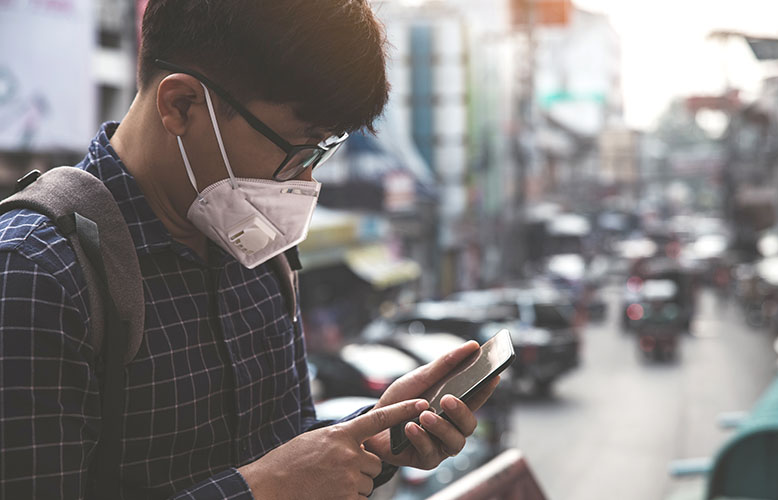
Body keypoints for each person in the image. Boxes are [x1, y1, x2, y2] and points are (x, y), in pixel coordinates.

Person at [0, 1, 499, 499]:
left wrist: (373, 434)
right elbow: (278, 478)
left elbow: (290, 448)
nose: (306, 182)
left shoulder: (258, 247)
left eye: (322, 151)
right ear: (181, 106)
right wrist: (257, 491)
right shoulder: (40, 273)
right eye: (298, 151)